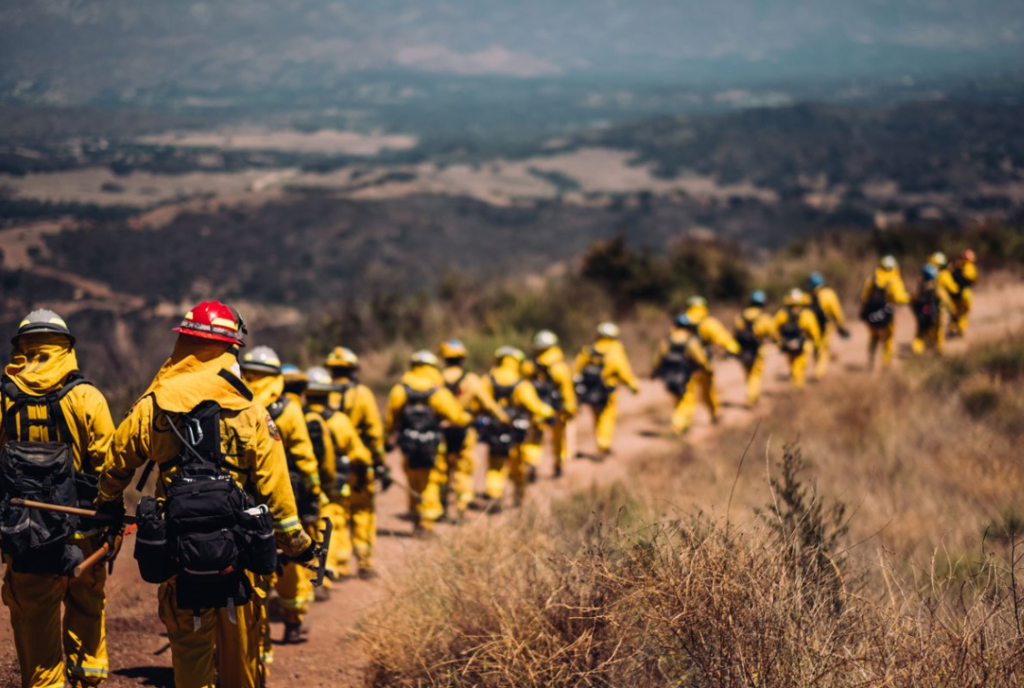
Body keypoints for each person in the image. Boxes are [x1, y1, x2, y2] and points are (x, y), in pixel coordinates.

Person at [95, 301, 316, 688]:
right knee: (240, 661)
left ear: (183, 344)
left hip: (181, 557)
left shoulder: (154, 406)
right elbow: (278, 494)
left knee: (191, 656)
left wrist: (107, 506)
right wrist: (298, 546)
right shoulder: (250, 412)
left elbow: (115, 464)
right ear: (229, 348)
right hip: (241, 562)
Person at [1, 310, 116, 688]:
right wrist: (109, 515)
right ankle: (87, 680)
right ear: (66, 347)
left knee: (36, 628)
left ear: (23, 348)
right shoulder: (88, 398)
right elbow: (109, 467)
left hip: (27, 539)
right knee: (86, 610)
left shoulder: (3, 400)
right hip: (84, 538)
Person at [239, 346, 322, 646]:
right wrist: (313, 495)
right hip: (283, 501)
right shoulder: (287, 408)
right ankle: (293, 623)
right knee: (288, 565)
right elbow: (304, 456)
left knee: (251, 575)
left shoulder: (235, 402)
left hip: (242, 505)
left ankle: (257, 648)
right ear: (277, 376)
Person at [385, 351, 471, 534]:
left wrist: (387, 437)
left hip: (408, 445)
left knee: (413, 477)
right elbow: (456, 416)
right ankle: (426, 522)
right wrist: (467, 418)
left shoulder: (400, 390)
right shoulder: (437, 391)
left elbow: (390, 419)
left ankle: (415, 515)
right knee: (430, 480)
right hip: (432, 444)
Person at [303, 367, 376, 581]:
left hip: (303, 486)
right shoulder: (340, 421)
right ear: (328, 393)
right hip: (333, 486)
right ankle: (334, 569)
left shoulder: (298, 418)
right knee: (333, 523)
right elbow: (360, 456)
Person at [438, 339, 507, 520]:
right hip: (465, 430)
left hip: (441, 431)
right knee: (463, 468)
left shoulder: (436, 379)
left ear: (444, 358)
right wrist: (503, 418)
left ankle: (441, 506)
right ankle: (461, 506)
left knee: (442, 468)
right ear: (462, 359)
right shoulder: (471, 380)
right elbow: (488, 403)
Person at [480, 348, 554, 507]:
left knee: (495, 464)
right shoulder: (521, 383)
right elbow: (534, 405)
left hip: (494, 430)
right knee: (517, 464)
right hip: (515, 431)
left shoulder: (487, 380)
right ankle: (519, 497)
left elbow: (478, 402)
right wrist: (549, 413)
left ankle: (494, 494)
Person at [572, 323, 639, 458]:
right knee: (608, 416)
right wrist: (633, 385)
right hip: (608, 390)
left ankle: (600, 441)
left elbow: (576, 369)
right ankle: (603, 443)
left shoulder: (589, 349)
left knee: (596, 416)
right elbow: (623, 370)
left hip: (590, 390)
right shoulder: (615, 349)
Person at [520, 330, 578, 479]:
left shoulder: (529, 365)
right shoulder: (560, 367)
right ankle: (558, 465)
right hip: (557, 409)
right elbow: (567, 391)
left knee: (535, 438)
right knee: (558, 439)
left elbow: (524, 386)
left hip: (537, 409)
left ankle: (532, 462)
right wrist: (570, 409)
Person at [325, 346, 386, 479]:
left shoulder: (321, 395)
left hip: (328, 463)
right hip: (359, 464)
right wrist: (380, 461)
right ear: (353, 370)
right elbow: (374, 432)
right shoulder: (362, 393)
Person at [653, 314, 713, 435]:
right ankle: (678, 425)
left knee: (677, 399)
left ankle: (684, 423)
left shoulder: (667, 340)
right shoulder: (690, 341)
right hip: (686, 375)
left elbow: (659, 357)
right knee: (688, 400)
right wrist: (707, 368)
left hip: (669, 376)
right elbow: (700, 358)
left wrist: (655, 371)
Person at [684, 296, 740, 422]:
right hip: (704, 365)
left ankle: (682, 422)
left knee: (688, 394)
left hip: (685, 365)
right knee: (708, 392)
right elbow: (723, 338)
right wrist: (735, 349)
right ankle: (715, 414)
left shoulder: (682, 321)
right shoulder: (708, 322)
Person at [860, 255, 910, 370]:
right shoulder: (894, 280)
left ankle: (871, 361)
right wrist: (907, 297)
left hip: (871, 315)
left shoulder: (871, 279)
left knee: (873, 337)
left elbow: (864, 297)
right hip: (887, 316)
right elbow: (899, 298)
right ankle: (885, 365)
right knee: (888, 340)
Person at [732, 291, 777, 407]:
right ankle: (751, 398)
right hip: (758, 350)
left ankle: (751, 393)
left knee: (748, 374)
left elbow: (735, 332)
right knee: (756, 375)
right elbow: (773, 333)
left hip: (743, 351)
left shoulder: (740, 316)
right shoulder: (764, 317)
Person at [773, 289, 822, 389]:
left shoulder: (782, 313)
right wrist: (817, 344)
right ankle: (798, 388)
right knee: (800, 366)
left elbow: (774, 328)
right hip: (803, 345)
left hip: (787, 344)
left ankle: (794, 385)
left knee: (792, 365)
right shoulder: (807, 314)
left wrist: (779, 341)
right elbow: (814, 331)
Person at [806, 272, 850, 380]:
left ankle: (817, 368)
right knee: (824, 351)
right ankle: (819, 373)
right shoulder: (829, 294)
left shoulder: (808, 297)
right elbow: (836, 311)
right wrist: (841, 325)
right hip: (825, 326)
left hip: (810, 328)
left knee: (816, 349)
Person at [911, 264, 955, 355]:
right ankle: (939, 352)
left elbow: (913, 300)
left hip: (923, 316)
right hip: (936, 315)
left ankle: (917, 352)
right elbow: (946, 300)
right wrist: (953, 311)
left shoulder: (920, 288)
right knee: (938, 334)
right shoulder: (936, 287)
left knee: (920, 335)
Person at [949, 249, 978, 337]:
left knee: (955, 312)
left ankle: (953, 328)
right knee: (964, 312)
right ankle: (961, 328)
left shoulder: (956, 265)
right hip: (965, 293)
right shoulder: (970, 267)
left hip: (954, 293)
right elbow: (972, 279)